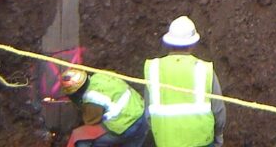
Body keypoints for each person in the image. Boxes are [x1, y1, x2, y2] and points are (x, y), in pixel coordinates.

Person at [143, 16, 226, 147]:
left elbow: (148, 114)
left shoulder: (154, 69)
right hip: (201, 141)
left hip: (166, 142)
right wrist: (218, 136)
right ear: (192, 44)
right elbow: (218, 110)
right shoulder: (203, 69)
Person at [60, 68, 149, 147]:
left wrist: (81, 106)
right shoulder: (100, 75)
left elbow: (92, 122)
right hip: (142, 114)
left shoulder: (91, 98)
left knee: (82, 140)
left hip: (126, 127)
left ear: (76, 93)